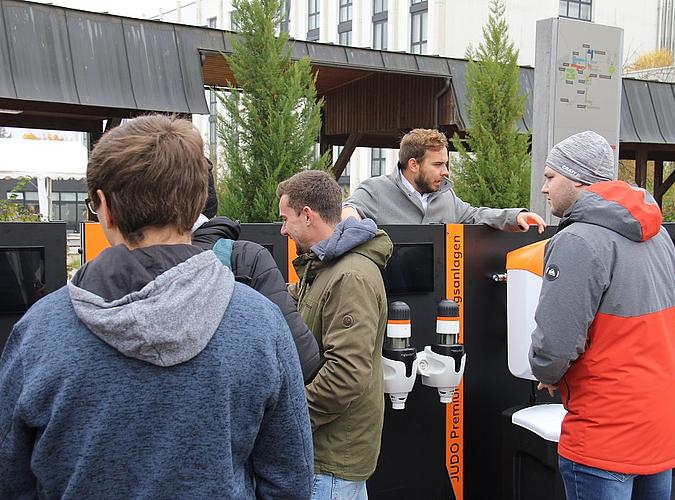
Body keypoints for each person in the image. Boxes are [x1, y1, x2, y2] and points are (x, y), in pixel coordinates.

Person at [0, 115, 313, 499]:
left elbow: (10, 477)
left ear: (103, 207)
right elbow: (290, 479)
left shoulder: (40, 332)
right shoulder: (260, 324)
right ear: (197, 201)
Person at [529, 130, 675, 499]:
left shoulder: (577, 240)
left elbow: (555, 341)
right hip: (659, 419)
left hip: (605, 428)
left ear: (578, 178)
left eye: (550, 177)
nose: (544, 189)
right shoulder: (657, 232)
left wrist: (548, 372)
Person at [277, 170, 392, 500]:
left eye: (286, 219)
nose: (283, 229)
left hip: (331, 461)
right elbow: (297, 302)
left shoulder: (350, 276)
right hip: (328, 456)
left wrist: (290, 420)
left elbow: (345, 374)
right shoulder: (325, 267)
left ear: (308, 215)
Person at [192, 159, 322, 382]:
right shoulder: (245, 259)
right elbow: (302, 359)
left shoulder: (115, 271)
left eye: (285, 220)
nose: (282, 230)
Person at [341, 128, 545, 232]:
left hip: (437, 298)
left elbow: (475, 215)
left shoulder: (447, 196)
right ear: (413, 165)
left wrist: (514, 217)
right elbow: (348, 210)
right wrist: (352, 224)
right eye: (437, 165)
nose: (445, 171)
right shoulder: (375, 190)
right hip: (390, 299)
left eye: (445, 164)